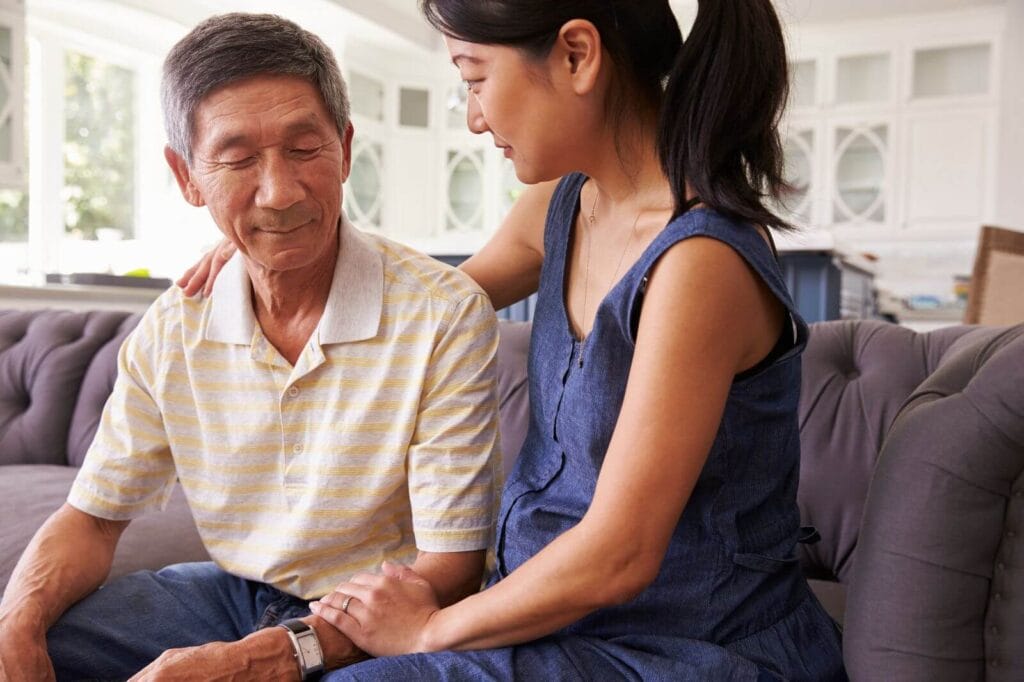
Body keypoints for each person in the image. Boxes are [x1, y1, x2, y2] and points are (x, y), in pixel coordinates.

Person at [181, 1, 848, 679]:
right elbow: (415, 311)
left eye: (474, 79)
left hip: (681, 649)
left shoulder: (700, 263)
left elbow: (621, 553)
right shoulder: (563, 204)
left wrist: (430, 628)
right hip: (548, 621)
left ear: (576, 56)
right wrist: (271, 250)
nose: (474, 116)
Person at [0, 12, 502, 681]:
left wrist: (271, 657)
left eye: (304, 149)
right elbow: (92, 519)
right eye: (237, 159)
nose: (280, 192)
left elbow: (451, 567)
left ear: (346, 149)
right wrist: (18, 626)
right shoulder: (173, 329)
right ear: (186, 176)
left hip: (382, 618)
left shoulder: (442, 314)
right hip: (228, 593)